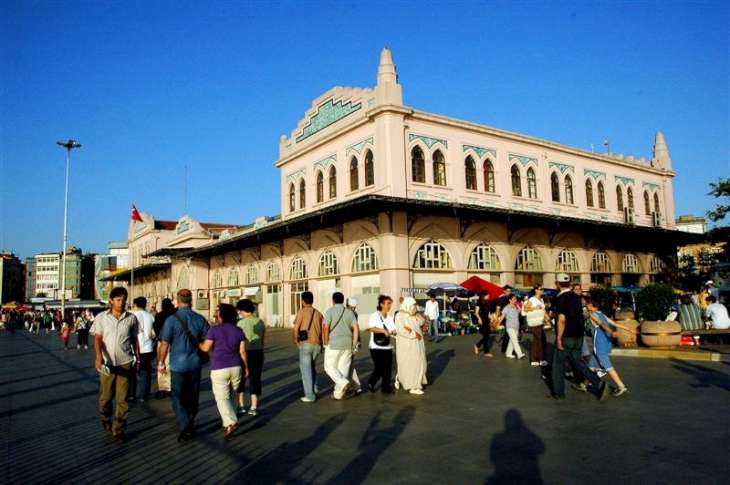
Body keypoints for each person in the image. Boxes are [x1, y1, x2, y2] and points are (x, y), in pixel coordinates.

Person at [158, 289, 210, 442]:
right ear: (191, 300)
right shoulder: (200, 319)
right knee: (193, 395)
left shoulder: (171, 320)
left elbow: (164, 343)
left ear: (178, 300)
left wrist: (161, 362)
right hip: (195, 363)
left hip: (177, 365)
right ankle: (190, 420)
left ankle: (185, 425)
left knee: (177, 397)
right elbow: (208, 340)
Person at [90, 286, 140, 443]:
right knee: (105, 398)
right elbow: (97, 338)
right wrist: (98, 357)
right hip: (107, 364)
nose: (121, 302)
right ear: (111, 301)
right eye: (118, 300)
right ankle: (105, 417)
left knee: (122, 399)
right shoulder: (101, 318)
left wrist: (137, 358)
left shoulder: (131, 318)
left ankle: (119, 429)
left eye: (124, 299)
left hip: (125, 363)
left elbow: (134, 340)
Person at [551, 274, 608, 400]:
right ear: (569, 283)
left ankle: (558, 393)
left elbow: (561, 320)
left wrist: (559, 338)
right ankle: (598, 382)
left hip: (566, 336)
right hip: (578, 336)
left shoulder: (560, 298)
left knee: (557, 364)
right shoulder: (577, 297)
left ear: (557, 283)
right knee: (578, 362)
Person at [199, 304, 248, 439]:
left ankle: (230, 422)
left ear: (221, 316)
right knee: (230, 394)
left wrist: (198, 343)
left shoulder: (214, 330)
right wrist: (246, 367)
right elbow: (242, 351)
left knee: (221, 398)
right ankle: (228, 422)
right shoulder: (239, 330)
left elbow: (206, 348)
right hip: (236, 366)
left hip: (220, 367)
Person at [584, 297, 633, 396]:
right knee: (591, 366)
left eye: (587, 304)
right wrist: (628, 329)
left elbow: (602, 325)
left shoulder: (593, 315)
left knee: (608, 367)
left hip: (599, 345)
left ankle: (621, 386)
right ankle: (585, 384)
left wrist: (611, 333)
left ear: (591, 305)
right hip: (606, 342)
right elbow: (614, 323)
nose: (586, 305)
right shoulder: (601, 314)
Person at [323, 292, 361, 400]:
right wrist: (354, 343)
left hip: (333, 343)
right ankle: (338, 394)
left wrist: (325, 342)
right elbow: (356, 329)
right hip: (348, 344)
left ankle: (343, 383)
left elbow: (326, 327)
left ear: (333, 300)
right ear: (343, 300)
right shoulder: (350, 313)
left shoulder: (329, 311)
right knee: (343, 369)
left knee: (329, 367)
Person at [292, 291, 323, 403]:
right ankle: (314, 389)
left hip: (306, 344)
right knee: (313, 368)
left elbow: (296, 328)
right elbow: (323, 330)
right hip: (317, 344)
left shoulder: (301, 312)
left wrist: (296, 341)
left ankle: (310, 396)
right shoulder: (319, 313)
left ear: (303, 301)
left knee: (306, 371)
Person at [236, 299, 266, 415]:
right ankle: (254, 406)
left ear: (242, 310)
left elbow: (238, 341)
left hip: (244, 352)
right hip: (258, 352)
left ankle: (241, 405)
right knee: (255, 378)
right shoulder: (260, 322)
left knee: (242, 379)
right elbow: (262, 340)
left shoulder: (240, 323)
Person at [394, 297, 428, 395]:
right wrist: (413, 333)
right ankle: (413, 386)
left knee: (420, 362)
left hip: (418, 343)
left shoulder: (413, 314)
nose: (414, 307)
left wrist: (417, 314)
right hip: (407, 344)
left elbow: (421, 322)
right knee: (411, 364)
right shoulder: (400, 315)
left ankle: (405, 380)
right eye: (413, 305)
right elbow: (401, 330)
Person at [367, 294, 397, 394]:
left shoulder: (389, 317)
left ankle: (385, 388)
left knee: (388, 368)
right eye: (388, 304)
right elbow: (371, 328)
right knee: (379, 367)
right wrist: (382, 330)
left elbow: (393, 329)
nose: (389, 306)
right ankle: (371, 382)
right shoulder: (374, 315)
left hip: (387, 346)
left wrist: (394, 332)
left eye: (390, 304)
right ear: (381, 304)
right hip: (375, 346)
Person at [130, 297, 156, 402]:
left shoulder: (132, 316)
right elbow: (153, 333)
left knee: (131, 372)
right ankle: (143, 395)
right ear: (145, 304)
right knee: (145, 372)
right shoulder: (150, 316)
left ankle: (131, 394)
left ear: (135, 304)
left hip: (134, 348)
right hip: (148, 347)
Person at [154, 298, 175, 399]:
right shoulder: (175, 314)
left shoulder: (159, 316)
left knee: (162, 364)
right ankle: (172, 386)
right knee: (171, 365)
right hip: (175, 343)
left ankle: (163, 388)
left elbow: (155, 329)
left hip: (162, 342)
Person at [525, 285, 548, 366]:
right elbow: (526, 309)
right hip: (535, 323)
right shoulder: (532, 299)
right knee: (539, 340)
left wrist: (547, 318)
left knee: (538, 340)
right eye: (540, 289)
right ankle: (538, 359)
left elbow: (543, 310)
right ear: (536, 290)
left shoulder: (541, 299)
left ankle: (537, 359)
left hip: (540, 322)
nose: (542, 290)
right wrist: (535, 308)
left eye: (542, 289)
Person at [500, 294, 525, 359]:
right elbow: (502, 317)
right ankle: (519, 354)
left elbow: (520, 313)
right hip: (509, 327)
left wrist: (520, 307)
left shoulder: (516, 307)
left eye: (515, 299)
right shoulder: (506, 308)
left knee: (512, 341)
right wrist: (498, 323)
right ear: (509, 300)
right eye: (513, 299)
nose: (515, 300)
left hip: (516, 326)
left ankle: (508, 353)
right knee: (515, 340)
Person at [473, 292, 493, 358]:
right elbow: (476, 313)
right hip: (481, 321)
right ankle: (486, 352)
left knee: (487, 336)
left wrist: (491, 318)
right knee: (486, 336)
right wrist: (479, 319)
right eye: (487, 295)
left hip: (487, 321)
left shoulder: (488, 302)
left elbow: (489, 313)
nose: (489, 295)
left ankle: (477, 345)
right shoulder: (479, 303)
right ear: (484, 296)